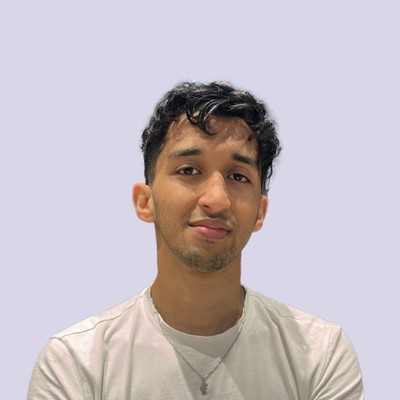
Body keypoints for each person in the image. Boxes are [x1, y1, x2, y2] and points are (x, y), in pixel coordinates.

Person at [28, 82, 364, 399]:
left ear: (259, 213)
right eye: (189, 170)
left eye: (238, 176)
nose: (216, 200)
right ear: (145, 202)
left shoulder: (319, 353)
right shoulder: (77, 361)